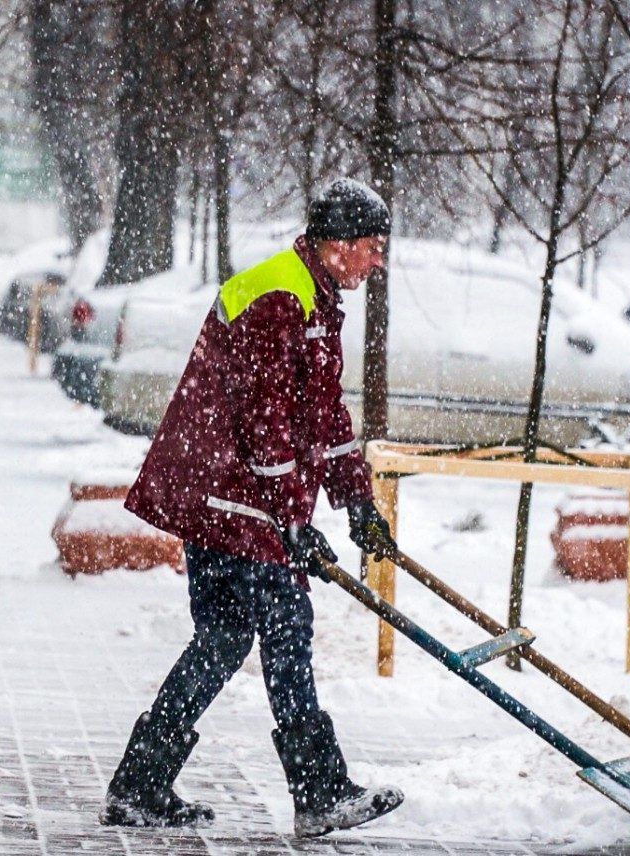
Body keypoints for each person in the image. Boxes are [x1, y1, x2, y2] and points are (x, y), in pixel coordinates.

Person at [106, 179, 405, 837]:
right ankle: (319, 789)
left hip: (234, 494)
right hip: (227, 493)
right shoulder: (279, 296)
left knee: (223, 639)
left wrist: (357, 501)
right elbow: (264, 417)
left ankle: (140, 782)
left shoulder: (318, 299)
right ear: (340, 245)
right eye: (373, 248)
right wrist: (293, 518)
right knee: (286, 629)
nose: (377, 262)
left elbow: (325, 413)